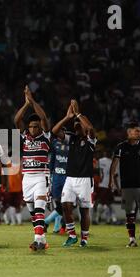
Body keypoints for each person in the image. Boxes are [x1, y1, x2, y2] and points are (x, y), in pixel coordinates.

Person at [51, 100, 96, 247]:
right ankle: (71, 235)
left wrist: (78, 114)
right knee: (65, 206)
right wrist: (67, 117)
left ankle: (84, 239)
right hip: (69, 179)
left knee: (84, 211)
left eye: (79, 123)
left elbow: (90, 128)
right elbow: (54, 131)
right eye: (75, 123)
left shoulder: (91, 140)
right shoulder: (71, 139)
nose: (77, 124)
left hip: (85, 180)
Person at [14, 85, 51, 251]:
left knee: (39, 209)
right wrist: (26, 104)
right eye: (31, 126)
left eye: (36, 126)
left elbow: (43, 117)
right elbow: (16, 120)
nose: (34, 129)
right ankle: (42, 239)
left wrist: (33, 101)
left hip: (41, 177)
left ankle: (37, 240)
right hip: (26, 178)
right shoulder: (25, 137)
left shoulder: (46, 136)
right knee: (32, 213)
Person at [44, 136, 69, 234]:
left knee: (64, 205)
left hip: (67, 178)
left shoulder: (70, 144)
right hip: (56, 178)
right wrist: (50, 177)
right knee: (60, 204)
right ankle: (54, 225)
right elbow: (51, 163)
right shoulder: (54, 146)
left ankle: (55, 226)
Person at [95, 150, 117, 224]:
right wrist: (117, 186)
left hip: (100, 184)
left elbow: (96, 171)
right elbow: (115, 175)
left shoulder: (99, 161)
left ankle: (98, 218)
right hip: (108, 185)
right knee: (108, 203)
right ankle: (109, 219)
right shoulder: (112, 162)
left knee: (101, 202)